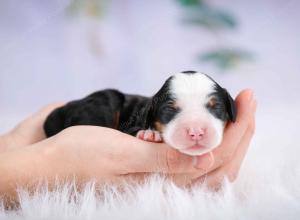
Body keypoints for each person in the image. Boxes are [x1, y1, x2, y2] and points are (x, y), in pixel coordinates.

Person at [0, 89, 256, 204]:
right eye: (172, 113)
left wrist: (14, 143)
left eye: (214, 110)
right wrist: (41, 166)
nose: (196, 130)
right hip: (106, 104)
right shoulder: (131, 114)